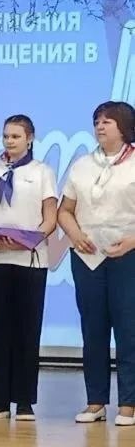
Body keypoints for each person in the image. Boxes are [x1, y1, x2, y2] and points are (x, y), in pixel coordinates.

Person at [0, 114, 57, 421]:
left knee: (26, 329)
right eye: (6, 136)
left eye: (16, 136)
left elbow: (50, 218)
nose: (9, 141)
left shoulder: (42, 172)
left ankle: (24, 401)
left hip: (29, 260)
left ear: (30, 139)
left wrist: (29, 240)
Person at [58, 100, 135, 427]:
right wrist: (75, 235)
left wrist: (131, 241)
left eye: (107, 121)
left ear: (124, 127)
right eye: (97, 121)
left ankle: (129, 404)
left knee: (129, 329)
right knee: (93, 328)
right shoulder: (82, 165)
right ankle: (96, 401)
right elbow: (64, 210)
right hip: (88, 257)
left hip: (127, 255)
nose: (100, 126)